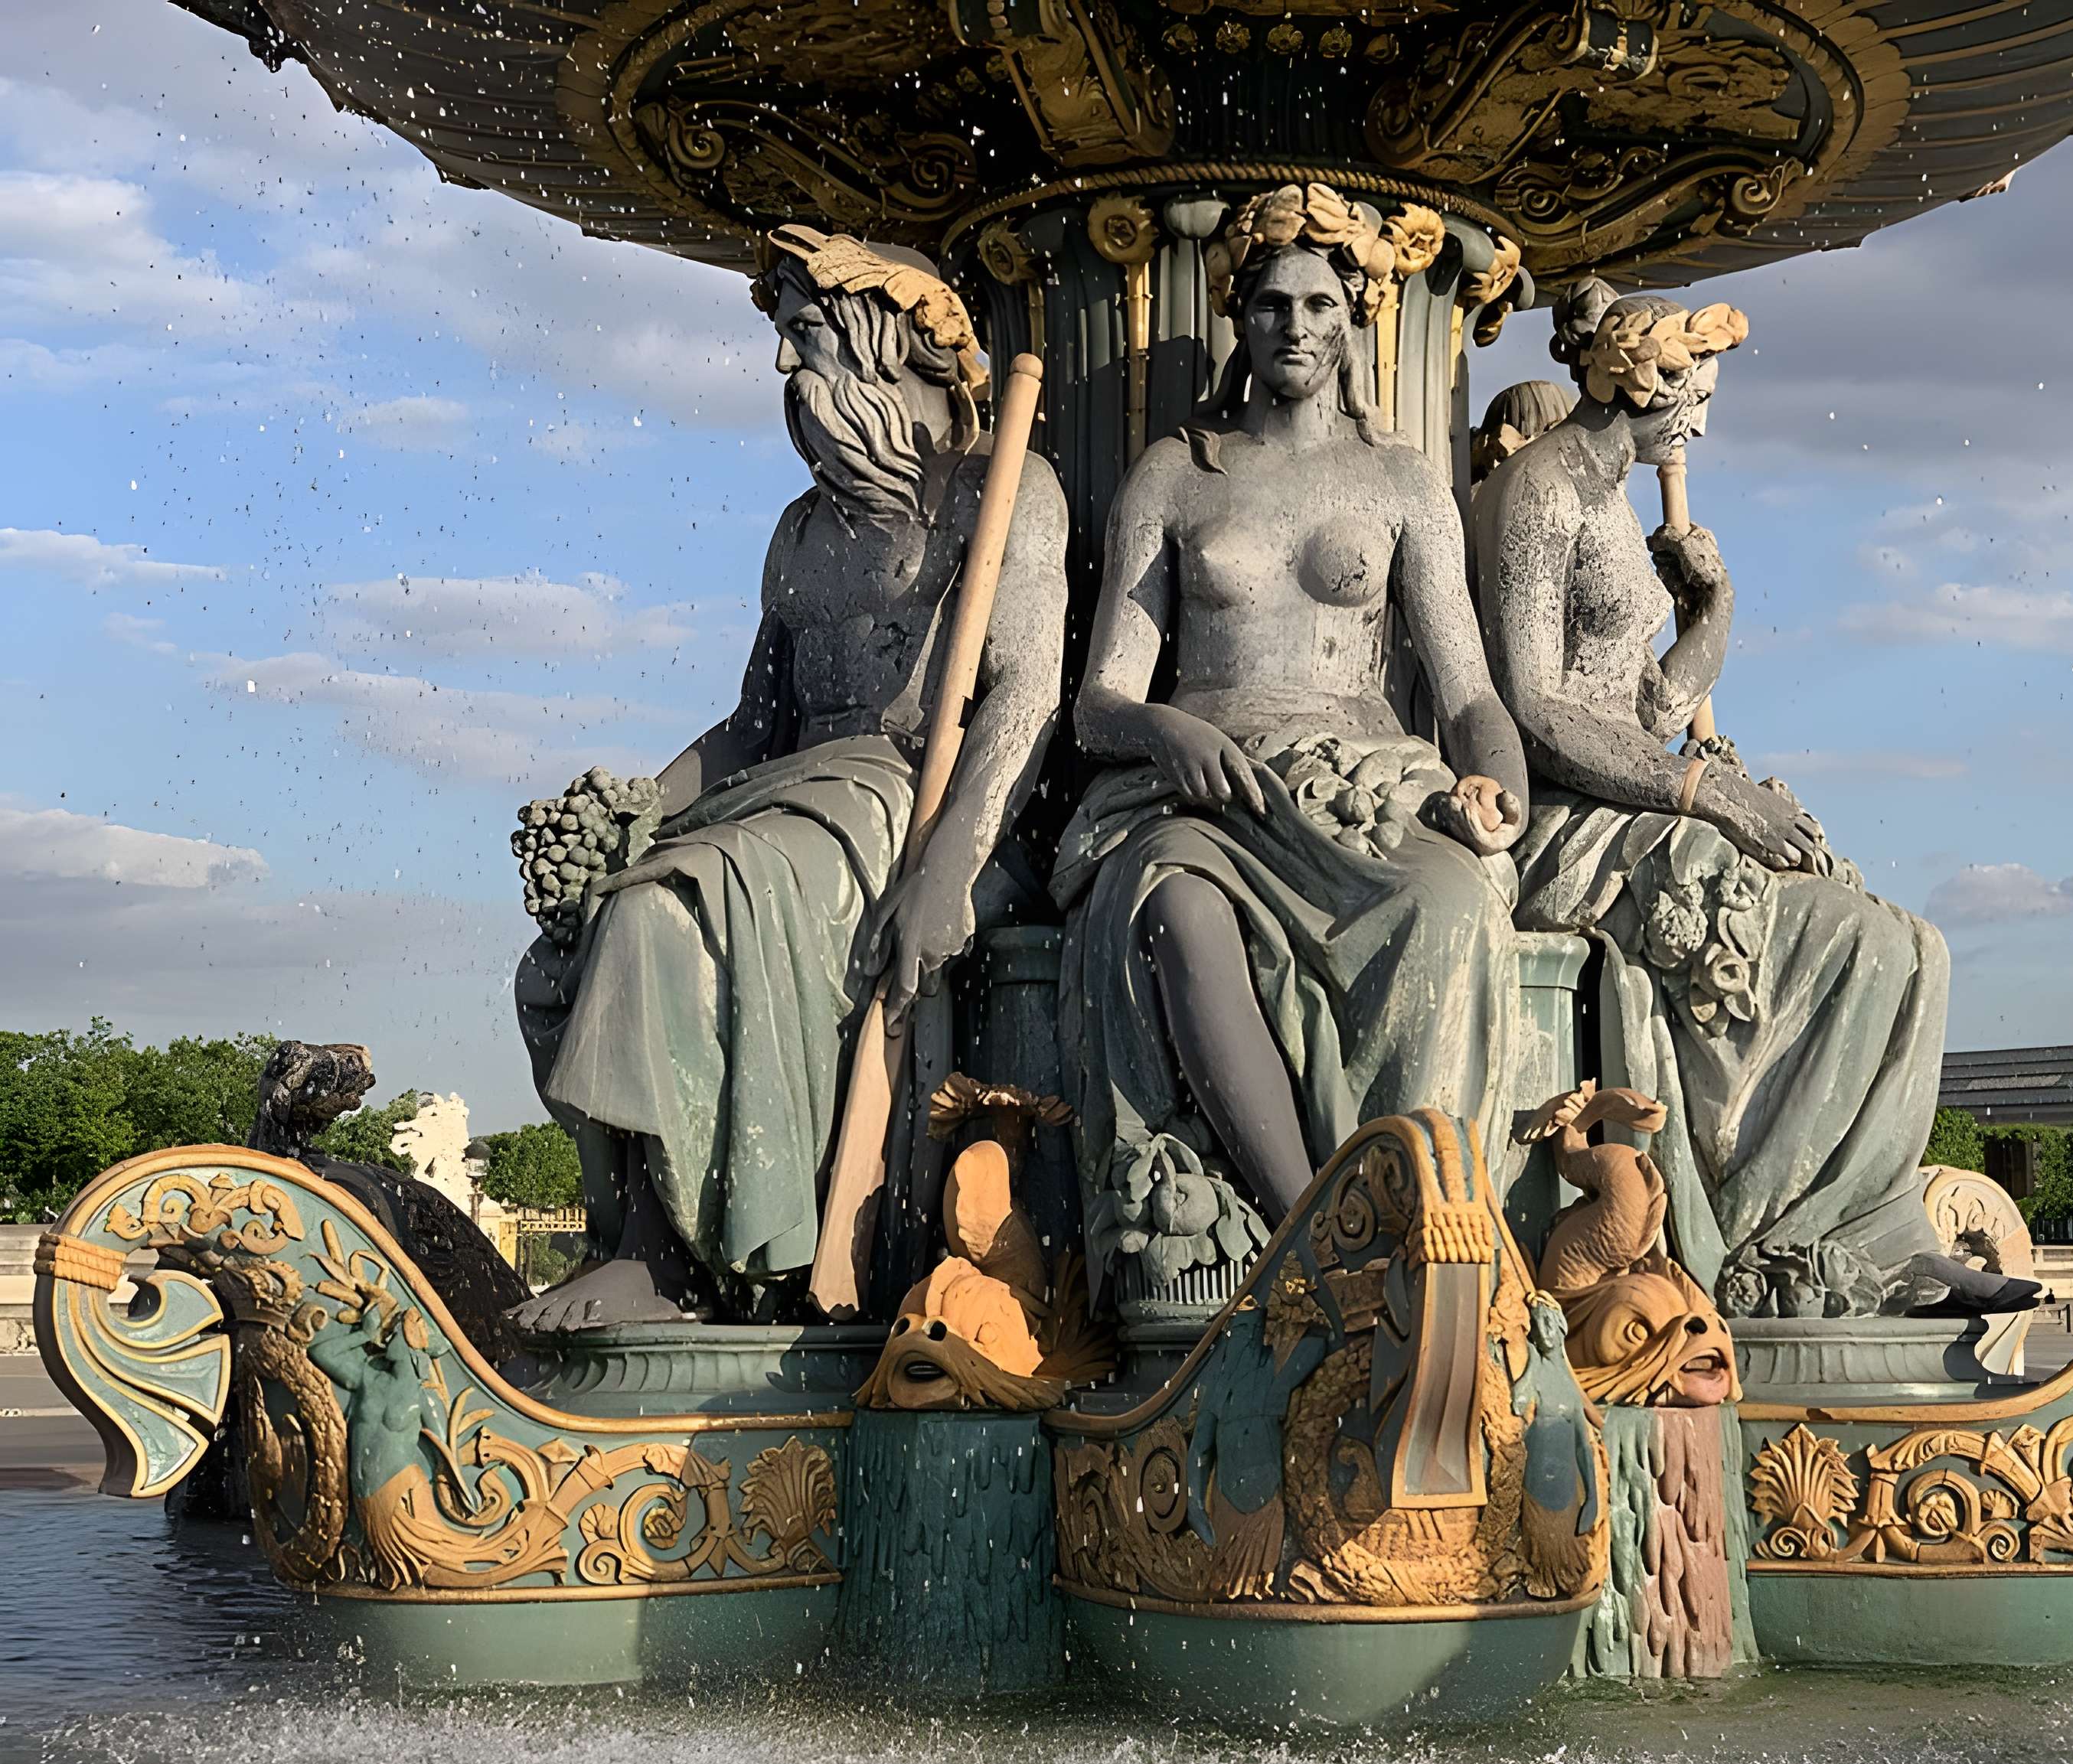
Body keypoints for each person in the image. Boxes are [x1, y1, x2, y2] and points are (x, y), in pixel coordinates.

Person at [511, 229, 1069, 1329]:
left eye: (803, 334)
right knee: (578, 935)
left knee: (664, 917)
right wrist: (636, 805)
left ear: (882, 342)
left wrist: (951, 869)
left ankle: (668, 1263)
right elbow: (753, 726)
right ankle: (629, 1232)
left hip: (908, 803)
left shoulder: (1001, 491)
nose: (782, 364)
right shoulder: (802, 531)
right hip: (789, 799)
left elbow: (1026, 696)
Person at [1056, 183, 1528, 1299]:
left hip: (1364, 783)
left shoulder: (1402, 482)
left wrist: (1499, 790)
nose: (1297, 327)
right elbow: (1098, 704)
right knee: (1177, 910)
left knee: (1450, 906)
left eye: (1321, 304)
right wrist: (1164, 728)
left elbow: (1469, 694)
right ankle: (1317, 1236)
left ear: (1355, 318)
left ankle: (1423, 1225)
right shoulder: (1177, 475)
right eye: (1272, 304)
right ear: (1240, 317)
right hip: (1204, 792)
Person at [1474, 289, 1951, 1319]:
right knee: (1857, 947)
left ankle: (1873, 1228)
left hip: (1634, 796)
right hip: (1565, 824)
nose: (1697, 426)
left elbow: (1649, 706)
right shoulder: (1539, 492)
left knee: (1915, 948)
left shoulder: (1608, 500)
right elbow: (1535, 708)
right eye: (1693, 400)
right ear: (1638, 384)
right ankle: (1775, 1238)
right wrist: (1709, 792)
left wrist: (1716, 608)